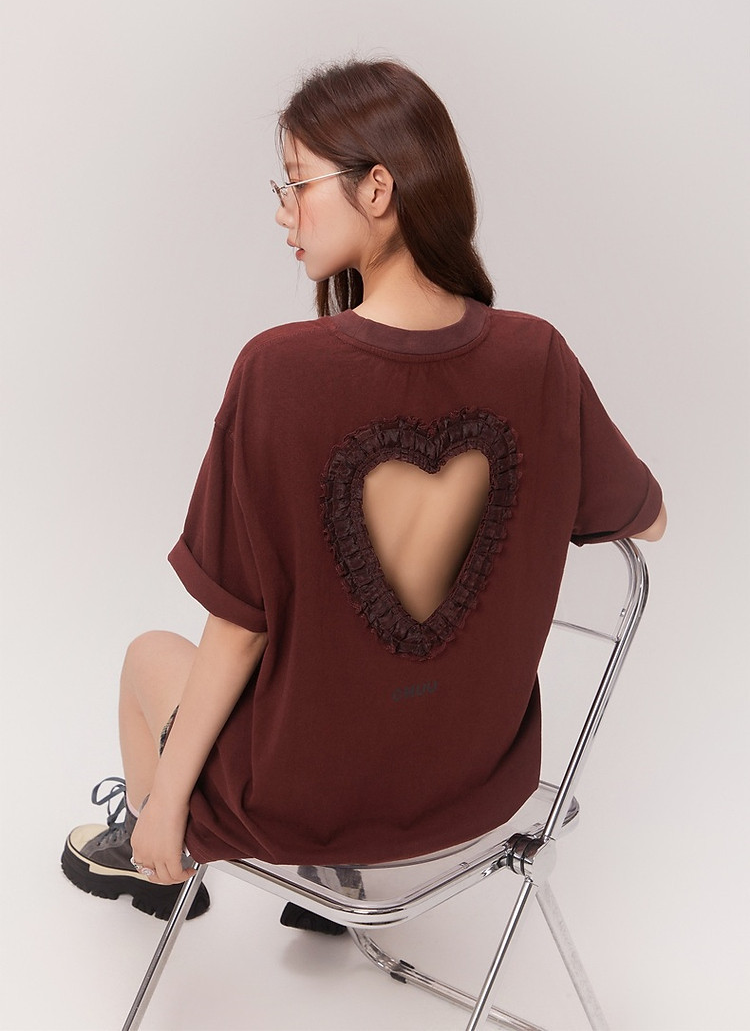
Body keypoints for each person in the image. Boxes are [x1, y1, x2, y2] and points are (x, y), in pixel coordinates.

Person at [62, 58, 666, 927]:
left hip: (302, 799)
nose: (283, 211)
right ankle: (330, 878)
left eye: (296, 183)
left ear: (377, 188)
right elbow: (649, 520)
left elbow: (239, 628)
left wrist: (169, 809)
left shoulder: (280, 372)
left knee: (149, 656)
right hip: (477, 791)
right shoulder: (539, 358)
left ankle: (155, 866)